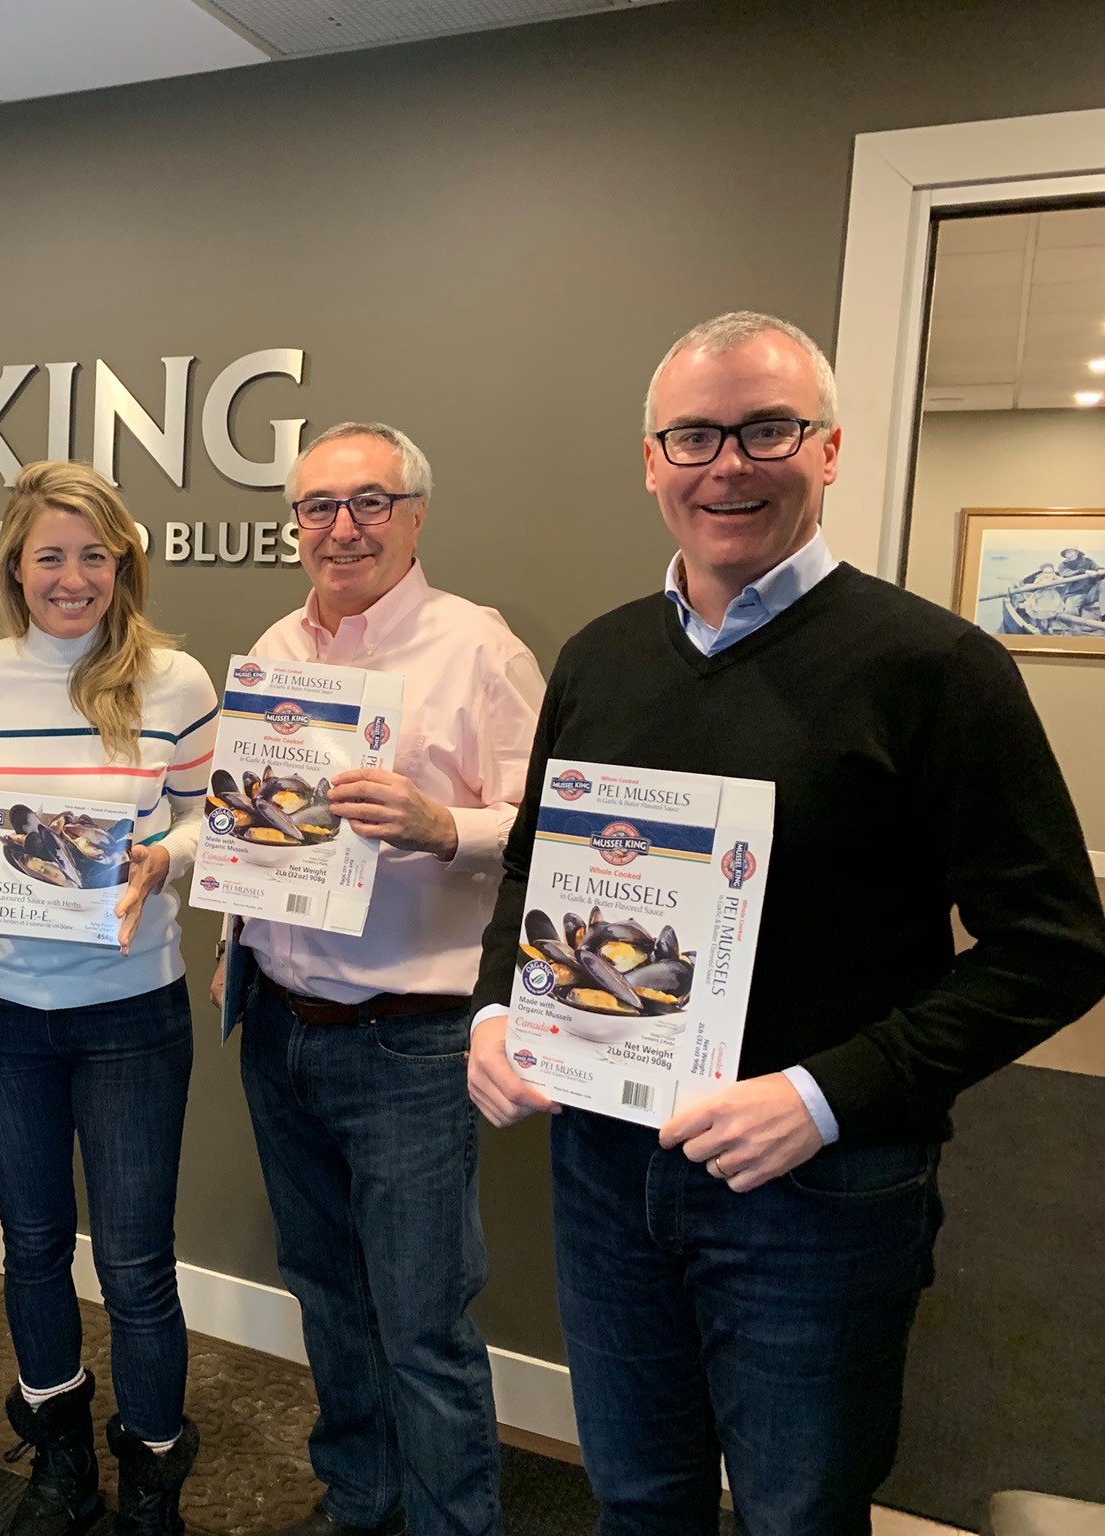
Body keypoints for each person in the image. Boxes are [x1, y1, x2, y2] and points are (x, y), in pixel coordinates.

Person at [467, 311, 1105, 1535]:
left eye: (766, 430)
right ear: (649, 460)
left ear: (826, 449)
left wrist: (820, 1096)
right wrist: (500, 1006)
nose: (726, 466)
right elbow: (532, 867)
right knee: (635, 1498)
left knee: (796, 1513)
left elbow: (1054, 948)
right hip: (605, 1167)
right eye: (693, 436)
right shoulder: (599, 658)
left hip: (816, 1188)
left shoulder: (934, 668)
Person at [213, 422, 543, 1536]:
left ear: (414, 515)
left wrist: (442, 824)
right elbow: (255, 820)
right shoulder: (276, 647)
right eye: (318, 506)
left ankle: (453, 1524)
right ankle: (359, 1499)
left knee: (422, 1322)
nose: (341, 528)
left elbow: (555, 831)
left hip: (409, 1041)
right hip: (279, 1024)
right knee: (324, 1291)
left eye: (368, 502)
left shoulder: (478, 648)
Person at [0, 460, 218, 1536]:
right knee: (33, 1246)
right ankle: (60, 1461)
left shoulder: (175, 682)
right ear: (14, 565)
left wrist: (162, 859)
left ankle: (151, 1471)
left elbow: (212, 816)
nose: (72, 577)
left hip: (130, 1011)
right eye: (49, 556)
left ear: (124, 563)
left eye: (95, 555)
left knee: (136, 1264)